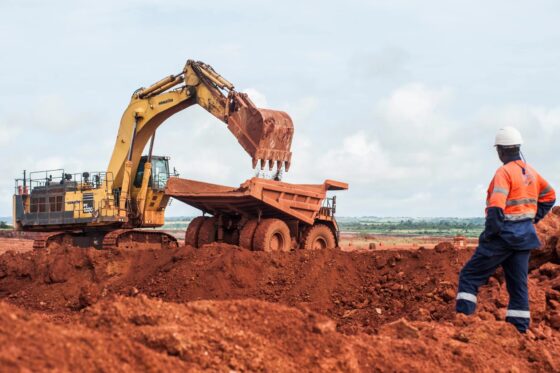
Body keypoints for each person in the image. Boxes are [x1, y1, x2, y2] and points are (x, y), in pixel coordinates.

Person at [455, 127, 556, 333]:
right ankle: (518, 330)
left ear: (500, 150)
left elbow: (495, 208)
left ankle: (462, 323)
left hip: (504, 236)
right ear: (517, 148)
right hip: (525, 238)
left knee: (469, 276)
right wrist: (533, 217)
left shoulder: (503, 172)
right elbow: (550, 196)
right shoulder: (530, 172)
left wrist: (490, 235)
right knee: (518, 286)